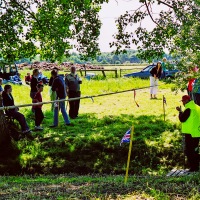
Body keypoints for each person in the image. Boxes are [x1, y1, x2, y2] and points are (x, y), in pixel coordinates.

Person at [176, 95, 200, 172]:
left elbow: (182, 119)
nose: (182, 103)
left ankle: (193, 168)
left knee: (189, 151)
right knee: (195, 150)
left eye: (183, 101)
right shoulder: (197, 107)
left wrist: (180, 111)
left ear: (186, 101)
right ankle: (196, 167)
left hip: (190, 133)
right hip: (197, 132)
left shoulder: (188, 109)